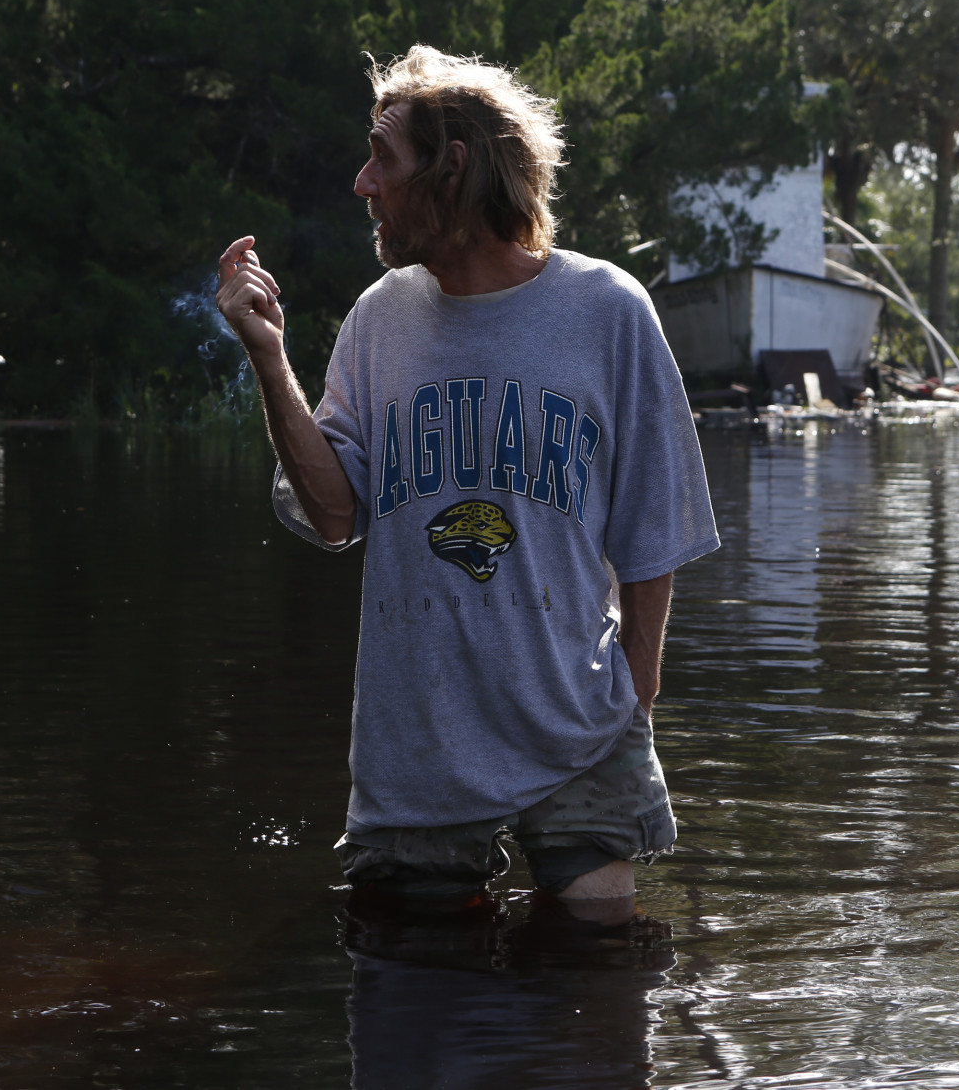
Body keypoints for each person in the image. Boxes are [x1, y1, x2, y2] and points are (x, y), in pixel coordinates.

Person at [214, 45, 718, 919]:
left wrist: (637, 689)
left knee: (597, 993)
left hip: (580, 723)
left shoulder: (607, 312)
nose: (363, 182)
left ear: (451, 168)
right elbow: (334, 516)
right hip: (417, 744)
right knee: (417, 1004)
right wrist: (269, 359)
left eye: (383, 157)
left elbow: (654, 519)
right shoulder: (379, 323)